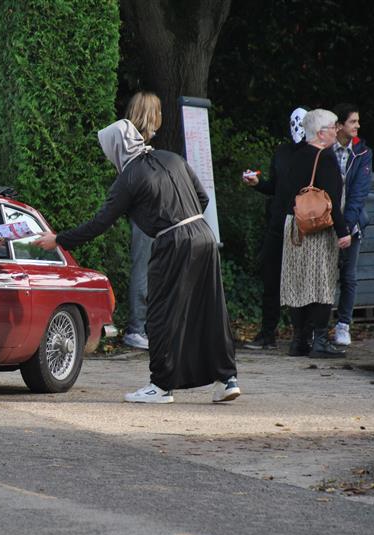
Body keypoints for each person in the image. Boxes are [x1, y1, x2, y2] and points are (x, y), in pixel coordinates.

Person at [33, 119, 239, 404]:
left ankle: (161, 385)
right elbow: (202, 198)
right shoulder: (172, 158)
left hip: (173, 242)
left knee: (160, 313)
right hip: (204, 235)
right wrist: (185, 221)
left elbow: (100, 223)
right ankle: (227, 379)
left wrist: (58, 239)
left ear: (116, 148)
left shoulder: (129, 177)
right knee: (211, 308)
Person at [278, 109, 351, 358]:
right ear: (321, 133)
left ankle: (299, 340)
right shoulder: (326, 157)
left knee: (297, 281)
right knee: (321, 282)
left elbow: (286, 191)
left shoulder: (296, 156)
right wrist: (343, 231)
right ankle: (319, 341)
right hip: (318, 228)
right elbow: (331, 201)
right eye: (333, 127)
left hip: (294, 224)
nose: (337, 131)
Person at [241, 107, 309, 350]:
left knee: (300, 281)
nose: (297, 128)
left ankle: (302, 335)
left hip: (302, 225)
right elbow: (275, 187)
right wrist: (258, 183)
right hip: (278, 224)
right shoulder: (281, 152)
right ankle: (267, 333)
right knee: (271, 280)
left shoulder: (314, 154)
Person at [121, 91, 162, 350]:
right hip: (144, 216)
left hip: (148, 215)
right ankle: (136, 328)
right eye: (158, 111)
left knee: (149, 270)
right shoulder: (134, 146)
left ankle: (144, 327)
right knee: (143, 269)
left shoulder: (132, 143)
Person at [330, 103, 373, 346]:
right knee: (324, 275)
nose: (357, 125)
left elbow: (359, 192)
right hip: (326, 223)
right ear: (339, 125)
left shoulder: (363, 152)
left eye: (357, 121)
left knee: (349, 275)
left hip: (352, 224)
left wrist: (346, 227)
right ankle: (317, 327)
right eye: (352, 121)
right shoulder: (326, 150)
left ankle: (343, 325)